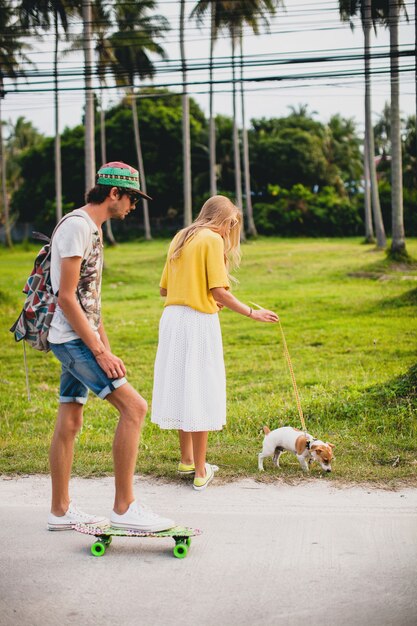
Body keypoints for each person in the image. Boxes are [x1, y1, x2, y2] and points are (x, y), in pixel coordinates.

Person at [47, 161, 174, 532]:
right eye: (131, 198)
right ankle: (124, 507)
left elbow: (90, 299)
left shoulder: (92, 229)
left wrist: (107, 344)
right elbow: (67, 298)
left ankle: (59, 511)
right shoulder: (77, 227)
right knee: (134, 408)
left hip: (78, 336)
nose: (133, 206)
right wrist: (98, 351)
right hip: (71, 340)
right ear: (113, 193)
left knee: (70, 420)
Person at [151, 195, 278, 490]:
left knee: (183, 385)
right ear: (225, 220)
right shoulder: (211, 239)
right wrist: (252, 312)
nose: (230, 230)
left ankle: (185, 459)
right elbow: (219, 291)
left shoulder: (181, 237)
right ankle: (199, 470)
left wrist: (201, 293)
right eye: (232, 223)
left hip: (172, 319)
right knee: (201, 389)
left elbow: (163, 288)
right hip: (197, 322)